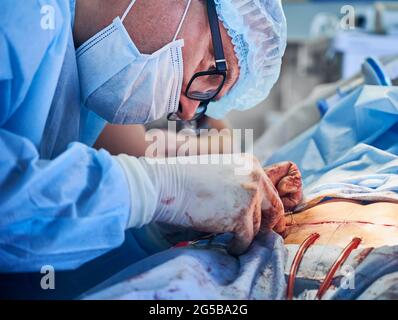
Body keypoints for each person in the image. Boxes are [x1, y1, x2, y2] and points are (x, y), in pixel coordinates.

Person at [0, 0, 292, 280]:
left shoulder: (83, 84)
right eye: (215, 68)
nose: (188, 110)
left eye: (207, 101)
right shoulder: (18, 17)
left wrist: (214, 202)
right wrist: (159, 190)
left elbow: (62, 205)